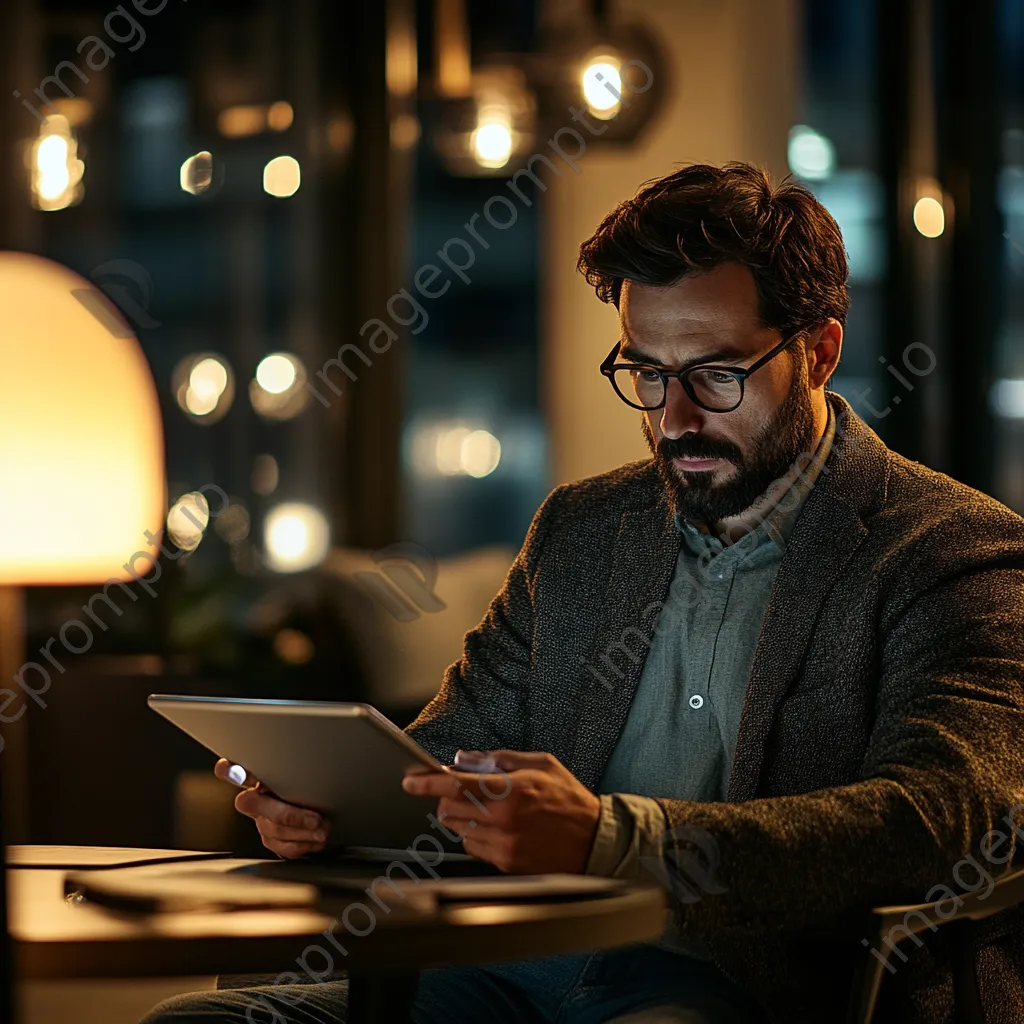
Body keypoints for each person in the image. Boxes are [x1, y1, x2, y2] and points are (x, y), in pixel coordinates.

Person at [142, 163, 1024, 1024]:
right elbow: (452, 752)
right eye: (647, 372)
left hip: (749, 987)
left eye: (716, 374)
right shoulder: (582, 531)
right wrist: (325, 804)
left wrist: (614, 842)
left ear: (819, 351)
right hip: (498, 970)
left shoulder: (949, 550)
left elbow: (934, 819)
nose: (674, 418)